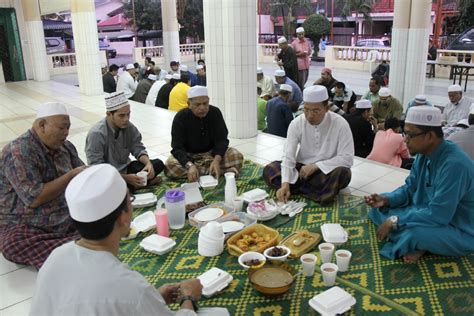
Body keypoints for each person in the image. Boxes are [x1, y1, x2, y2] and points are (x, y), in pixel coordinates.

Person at [30, 164, 229, 316]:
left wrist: (154, 299)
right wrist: (189, 297)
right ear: (123, 216)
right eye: (129, 201)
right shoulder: (130, 287)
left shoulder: (56, 257)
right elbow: (122, 299)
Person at [365, 106, 474, 263]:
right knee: (378, 211)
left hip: (458, 227)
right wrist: (386, 199)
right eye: (404, 133)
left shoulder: (455, 165)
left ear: (430, 136)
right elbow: (410, 189)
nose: (404, 140)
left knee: (412, 233)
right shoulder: (424, 154)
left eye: (410, 135)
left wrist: (396, 220)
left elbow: (439, 215)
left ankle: (420, 243)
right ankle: (422, 244)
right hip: (426, 212)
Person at [0, 102, 86, 268]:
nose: (66, 133)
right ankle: (83, 245)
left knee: (99, 210)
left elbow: (83, 174)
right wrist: (71, 176)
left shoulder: (65, 147)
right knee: (13, 245)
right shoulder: (18, 151)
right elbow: (35, 198)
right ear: (42, 125)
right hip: (26, 222)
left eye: (68, 128)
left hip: (63, 212)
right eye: (62, 128)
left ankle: (77, 246)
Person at [263, 85, 354, 204]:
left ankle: (300, 189)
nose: (310, 116)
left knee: (343, 173)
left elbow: (347, 158)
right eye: (306, 110)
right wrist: (285, 183)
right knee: (270, 168)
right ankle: (315, 192)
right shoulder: (297, 123)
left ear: (326, 108)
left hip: (326, 171)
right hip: (301, 170)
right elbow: (288, 155)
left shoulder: (340, 124)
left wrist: (316, 166)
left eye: (316, 110)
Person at [85, 92, 164, 190]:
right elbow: (97, 168)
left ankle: (135, 184)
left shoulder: (129, 127)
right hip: (108, 176)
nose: (126, 119)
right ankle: (135, 185)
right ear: (109, 114)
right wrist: (126, 178)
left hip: (126, 169)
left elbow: (137, 148)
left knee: (158, 164)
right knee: (105, 187)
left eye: (128, 114)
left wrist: (148, 163)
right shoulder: (97, 134)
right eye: (121, 116)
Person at [165, 86, 244, 182]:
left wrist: (216, 160)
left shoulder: (215, 112)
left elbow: (222, 140)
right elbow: (177, 147)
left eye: (205, 103)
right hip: (190, 156)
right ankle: (221, 171)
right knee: (170, 166)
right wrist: (189, 165)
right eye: (197, 105)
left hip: (212, 154)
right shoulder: (180, 117)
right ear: (189, 104)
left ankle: (205, 170)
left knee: (237, 156)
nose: (202, 108)